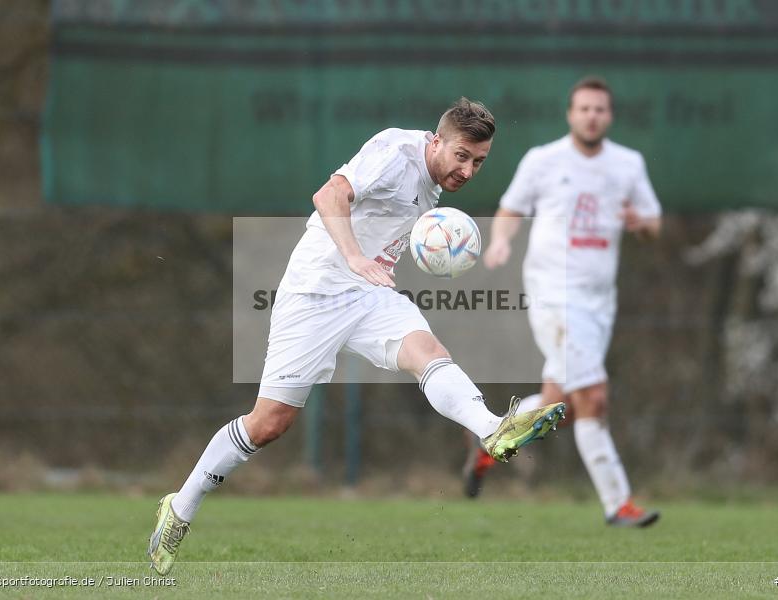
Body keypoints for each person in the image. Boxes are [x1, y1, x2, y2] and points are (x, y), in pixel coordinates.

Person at [148, 98, 566, 574]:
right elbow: (329, 195)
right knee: (269, 424)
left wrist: (374, 263)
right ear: (436, 142)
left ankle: (492, 429)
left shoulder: (434, 181)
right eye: (462, 156)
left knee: (427, 352)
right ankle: (180, 507)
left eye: (479, 162)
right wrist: (354, 257)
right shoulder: (395, 152)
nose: (468, 171)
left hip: (369, 294)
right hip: (314, 293)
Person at [461, 77, 661, 528]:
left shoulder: (628, 164)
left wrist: (641, 223)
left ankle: (491, 439)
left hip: (599, 302)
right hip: (553, 293)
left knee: (561, 404)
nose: (592, 116)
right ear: (571, 114)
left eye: (600, 109)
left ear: (610, 116)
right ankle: (618, 503)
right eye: (584, 108)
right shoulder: (543, 160)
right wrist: (501, 241)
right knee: (593, 396)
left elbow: (653, 225)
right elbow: (510, 209)